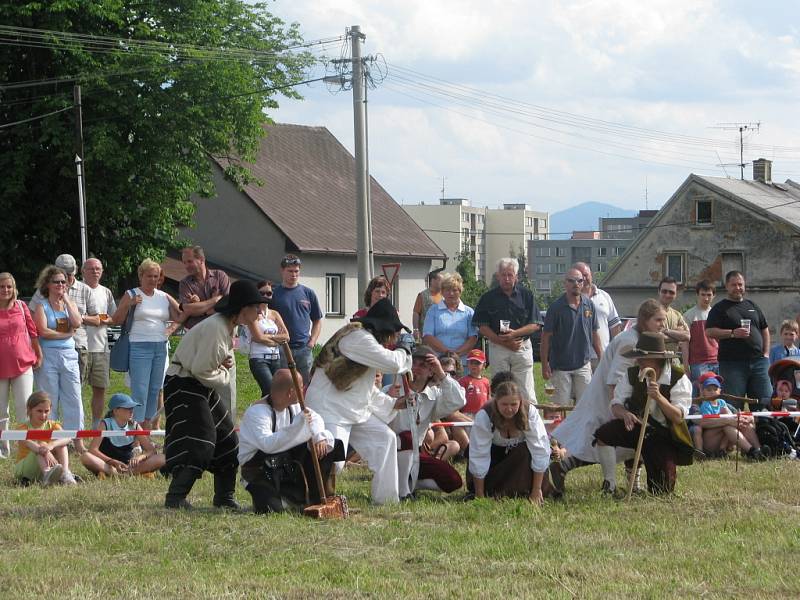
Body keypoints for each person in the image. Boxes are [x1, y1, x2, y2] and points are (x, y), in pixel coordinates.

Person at [161, 279, 263, 509]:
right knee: (201, 441)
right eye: (256, 306)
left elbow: (209, 365)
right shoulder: (218, 327)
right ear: (243, 308)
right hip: (184, 383)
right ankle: (175, 498)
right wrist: (224, 374)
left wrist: (221, 365)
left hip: (198, 383)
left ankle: (224, 498)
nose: (259, 310)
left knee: (227, 438)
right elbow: (201, 369)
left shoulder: (228, 325)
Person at [550, 299, 666, 495]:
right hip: (609, 398)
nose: (663, 324)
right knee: (604, 441)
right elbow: (615, 378)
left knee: (631, 439)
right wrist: (619, 407)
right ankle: (572, 470)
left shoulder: (642, 338)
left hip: (626, 397)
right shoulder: (629, 341)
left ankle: (632, 484)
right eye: (658, 320)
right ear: (645, 320)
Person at [305, 298, 412, 504]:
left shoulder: (367, 342)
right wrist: (405, 350)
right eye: (394, 331)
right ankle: (311, 497)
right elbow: (392, 363)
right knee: (333, 460)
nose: (395, 337)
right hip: (330, 409)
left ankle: (386, 500)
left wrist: (392, 404)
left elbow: (363, 387)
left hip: (353, 410)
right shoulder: (358, 338)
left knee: (385, 440)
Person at [594, 332, 694, 495]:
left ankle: (651, 475)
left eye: (642, 357)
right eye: (637, 357)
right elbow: (616, 405)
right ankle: (609, 485)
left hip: (663, 435)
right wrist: (624, 413)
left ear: (657, 359)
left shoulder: (678, 378)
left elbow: (678, 417)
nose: (637, 361)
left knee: (662, 491)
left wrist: (659, 397)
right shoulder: (632, 374)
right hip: (637, 427)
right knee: (604, 434)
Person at [239, 369, 343, 513]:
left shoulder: (294, 406)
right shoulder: (257, 413)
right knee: (273, 509)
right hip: (260, 470)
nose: (303, 390)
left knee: (328, 444)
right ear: (291, 392)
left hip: (286, 465)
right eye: (300, 387)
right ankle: (284, 499)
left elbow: (315, 418)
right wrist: (299, 427)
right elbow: (268, 445)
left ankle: (316, 496)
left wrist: (319, 436)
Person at [389, 346, 466, 499]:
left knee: (453, 481)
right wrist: (390, 400)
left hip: (415, 455)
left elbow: (458, 400)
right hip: (390, 453)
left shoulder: (433, 396)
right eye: (413, 364)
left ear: (431, 372)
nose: (415, 368)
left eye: (423, 365)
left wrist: (442, 374)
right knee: (406, 437)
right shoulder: (393, 390)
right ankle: (404, 492)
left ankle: (409, 482)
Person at [112, 259, 182, 429]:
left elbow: (181, 315)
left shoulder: (163, 296)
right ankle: (136, 431)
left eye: (156, 276)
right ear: (141, 275)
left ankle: (147, 429)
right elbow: (117, 319)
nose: (152, 279)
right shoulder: (131, 294)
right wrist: (128, 305)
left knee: (155, 389)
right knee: (140, 390)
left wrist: (171, 329)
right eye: (149, 276)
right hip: (139, 346)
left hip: (160, 346)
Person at [467, 381, 550, 504]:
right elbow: (479, 455)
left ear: (520, 402)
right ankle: (492, 490)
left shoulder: (530, 412)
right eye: (504, 404)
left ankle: (530, 490)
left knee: (524, 451)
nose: (509, 409)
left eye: (513, 404)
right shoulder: (485, 415)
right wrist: (479, 496)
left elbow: (540, 449)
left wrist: (537, 490)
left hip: (520, 464)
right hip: (494, 463)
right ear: (496, 402)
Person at [472, 257, 542, 401]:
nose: (507, 278)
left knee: (526, 390)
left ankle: (529, 421)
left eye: (510, 275)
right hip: (498, 347)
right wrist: (502, 341)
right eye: (503, 275)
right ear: (498, 276)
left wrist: (514, 334)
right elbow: (481, 326)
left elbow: (536, 324)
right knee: (500, 388)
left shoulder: (526, 295)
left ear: (516, 276)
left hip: (521, 347)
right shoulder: (488, 298)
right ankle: (500, 421)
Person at [31, 265, 84, 451]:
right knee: (49, 398)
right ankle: (50, 438)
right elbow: (42, 331)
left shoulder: (69, 304)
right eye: (57, 282)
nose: (61, 284)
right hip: (49, 355)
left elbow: (77, 323)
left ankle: (75, 440)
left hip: (69, 355)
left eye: (64, 281)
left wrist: (67, 300)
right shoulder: (41, 305)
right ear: (48, 284)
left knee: (74, 397)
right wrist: (65, 335)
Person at [30, 253, 99, 384]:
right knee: (50, 392)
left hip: (77, 345)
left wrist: (77, 315)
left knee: (75, 391)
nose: (66, 278)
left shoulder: (84, 289)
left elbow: (97, 319)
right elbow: (31, 314)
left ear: (76, 270)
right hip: (49, 347)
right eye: (63, 274)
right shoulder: (42, 291)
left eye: (69, 273)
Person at [705, 271, 772, 402]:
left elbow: (765, 329)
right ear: (727, 286)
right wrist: (732, 333)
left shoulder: (752, 306)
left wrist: (766, 353)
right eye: (733, 285)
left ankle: (763, 423)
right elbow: (709, 332)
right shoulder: (719, 308)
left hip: (758, 362)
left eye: (740, 284)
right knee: (734, 403)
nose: (738, 288)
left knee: (765, 400)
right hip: (732, 364)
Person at [540, 268, 602, 408]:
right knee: (559, 408)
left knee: (585, 408)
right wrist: (544, 364)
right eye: (572, 280)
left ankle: (581, 431)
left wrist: (601, 358)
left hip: (583, 364)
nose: (576, 284)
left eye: (580, 280)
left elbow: (594, 333)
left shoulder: (589, 304)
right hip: (561, 367)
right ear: (565, 284)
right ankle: (558, 430)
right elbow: (545, 338)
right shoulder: (556, 308)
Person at [0, 272, 42, 457]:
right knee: (1, 411)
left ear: (14, 288)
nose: (5, 290)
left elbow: (33, 332)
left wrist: (38, 354)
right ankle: (3, 449)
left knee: (24, 408)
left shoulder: (21, 306)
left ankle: (25, 448)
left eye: (8, 286)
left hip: (23, 363)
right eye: (1, 287)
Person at [80, 393, 165, 477]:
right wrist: (112, 461)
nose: (131, 411)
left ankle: (121, 474)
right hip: (108, 464)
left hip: (129, 466)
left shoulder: (135, 425)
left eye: (132, 408)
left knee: (162, 458)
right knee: (86, 457)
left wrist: (140, 458)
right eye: (127, 408)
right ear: (115, 410)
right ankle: (122, 474)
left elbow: (151, 450)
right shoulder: (105, 424)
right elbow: (93, 449)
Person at [272, 254, 323, 385]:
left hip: (303, 348)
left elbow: (317, 320)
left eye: (296, 271)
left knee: (306, 386)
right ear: (282, 271)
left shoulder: (308, 293)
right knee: (283, 385)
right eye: (290, 271)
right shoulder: (274, 294)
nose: (293, 274)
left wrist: (312, 341)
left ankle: (304, 406)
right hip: (282, 348)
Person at [692, 373, 765, 460]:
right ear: (701, 388)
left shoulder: (721, 403)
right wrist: (727, 420)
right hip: (707, 441)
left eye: (716, 388)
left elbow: (737, 415)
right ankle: (751, 451)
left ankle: (759, 451)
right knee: (728, 425)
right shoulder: (694, 405)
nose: (713, 392)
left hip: (721, 438)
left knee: (742, 422)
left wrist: (747, 418)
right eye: (709, 388)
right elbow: (700, 421)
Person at [81, 258, 117, 428]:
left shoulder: (106, 292)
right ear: (83, 272)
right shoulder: (77, 290)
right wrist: (90, 319)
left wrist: (100, 319)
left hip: (101, 347)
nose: (95, 271)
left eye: (98, 269)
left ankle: (96, 427)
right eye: (91, 269)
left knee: (100, 389)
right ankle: (77, 427)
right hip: (79, 347)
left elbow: (113, 317)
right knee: (75, 392)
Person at [13, 391, 75, 486]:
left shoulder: (53, 425)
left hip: (46, 463)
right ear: (29, 410)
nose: (43, 415)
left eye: (46, 411)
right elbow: (32, 445)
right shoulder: (23, 428)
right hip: (25, 471)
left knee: (61, 444)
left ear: (51, 410)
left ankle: (65, 473)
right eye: (39, 411)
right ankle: (47, 473)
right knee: (41, 445)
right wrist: (46, 450)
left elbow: (68, 438)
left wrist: (52, 445)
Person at [242, 280, 289, 396]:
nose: (266, 296)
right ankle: (258, 412)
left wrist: (269, 337)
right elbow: (258, 337)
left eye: (269, 293)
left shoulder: (274, 314)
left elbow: (286, 336)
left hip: (275, 358)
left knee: (276, 392)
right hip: (259, 358)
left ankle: (269, 412)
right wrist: (276, 341)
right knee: (269, 390)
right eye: (262, 293)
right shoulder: (253, 313)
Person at [422, 272, 478, 364]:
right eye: (447, 290)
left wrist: (457, 354)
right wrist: (447, 352)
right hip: (439, 361)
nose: (451, 293)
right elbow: (428, 336)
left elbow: (473, 338)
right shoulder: (433, 311)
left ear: (460, 291)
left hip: (462, 362)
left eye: (454, 290)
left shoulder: (469, 312)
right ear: (442, 292)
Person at [573, 262, 621, 367]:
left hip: (603, 356)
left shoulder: (604, 296)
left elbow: (615, 326)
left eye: (586, 275)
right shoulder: (571, 299)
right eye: (580, 276)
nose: (584, 278)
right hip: (577, 358)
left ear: (591, 275)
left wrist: (616, 351)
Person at [178, 245, 231, 330]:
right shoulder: (185, 283)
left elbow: (228, 304)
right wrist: (215, 300)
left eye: (189, 261)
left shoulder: (220, 276)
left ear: (201, 260)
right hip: (195, 331)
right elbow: (188, 309)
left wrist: (201, 309)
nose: (186, 266)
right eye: (184, 262)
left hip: (218, 329)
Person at [682, 280, 719, 388]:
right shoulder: (689, 315)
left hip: (717, 361)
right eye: (703, 294)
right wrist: (685, 366)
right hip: (698, 363)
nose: (706, 298)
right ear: (697, 294)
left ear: (714, 296)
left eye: (709, 295)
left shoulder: (717, 315)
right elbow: (685, 343)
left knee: (717, 394)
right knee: (700, 394)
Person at [657, 277, 690, 365]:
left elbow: (687, 336)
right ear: (658, 291)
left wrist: (665, 331)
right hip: (656, 362)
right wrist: (677, 335)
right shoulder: (651, 311)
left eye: (671, 292)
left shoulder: (677, 314)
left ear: (675, 295)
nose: (667, 295)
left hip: (674, 363)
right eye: (664, 291)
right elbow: (655, 337)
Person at [412, 270, 442, 342]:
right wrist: (416, 329)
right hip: (426, 334)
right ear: (433, 281)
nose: (443, 283)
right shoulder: (422, 295)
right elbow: (416, 313)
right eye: (441, 280)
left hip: (441, 334)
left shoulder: (444, 295)